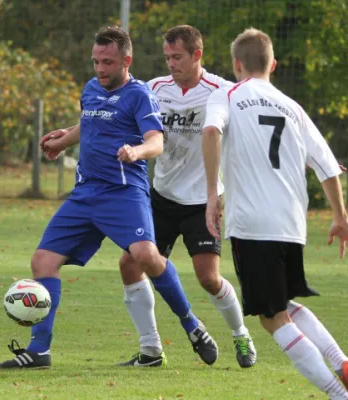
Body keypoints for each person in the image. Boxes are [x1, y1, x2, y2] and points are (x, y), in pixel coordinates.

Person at [0, 25, 218, 369]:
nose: (100, 69)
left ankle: (192, 325)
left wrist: (137, 151)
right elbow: (91, 123)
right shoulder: (91, 89)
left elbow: (157, 140)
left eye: (108, 62)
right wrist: (61, 141)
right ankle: (39, 350)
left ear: (126, 61)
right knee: (43, 261)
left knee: (146, 255)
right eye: (96, 61)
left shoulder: (141, 94)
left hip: (124, 192)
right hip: (85, 194)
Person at [41, 25, 257, 369]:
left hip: (204, 198)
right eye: (167, 57)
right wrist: (65, 137)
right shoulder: (155, 89)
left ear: (196, 55)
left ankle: (240, 333)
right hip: (162, 194)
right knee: (131, 261)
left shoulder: (221, 91)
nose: (170, 63)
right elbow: (103, 119)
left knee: (208, 278)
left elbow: (259, 124)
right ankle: (151, 350)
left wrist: (304, 154)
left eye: (178, 57)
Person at [202, 27, 348, 400]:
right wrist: (340, 217)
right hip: (291, 225)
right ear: (273, 64)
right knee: (284, 305)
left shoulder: (226, 94)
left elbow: (212, 132)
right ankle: (340, 360)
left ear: (236, 64)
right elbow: (327, 166)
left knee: (271, 317)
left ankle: (338, 393)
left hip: (252, 223)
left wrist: (213, 194)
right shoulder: (292, 107)